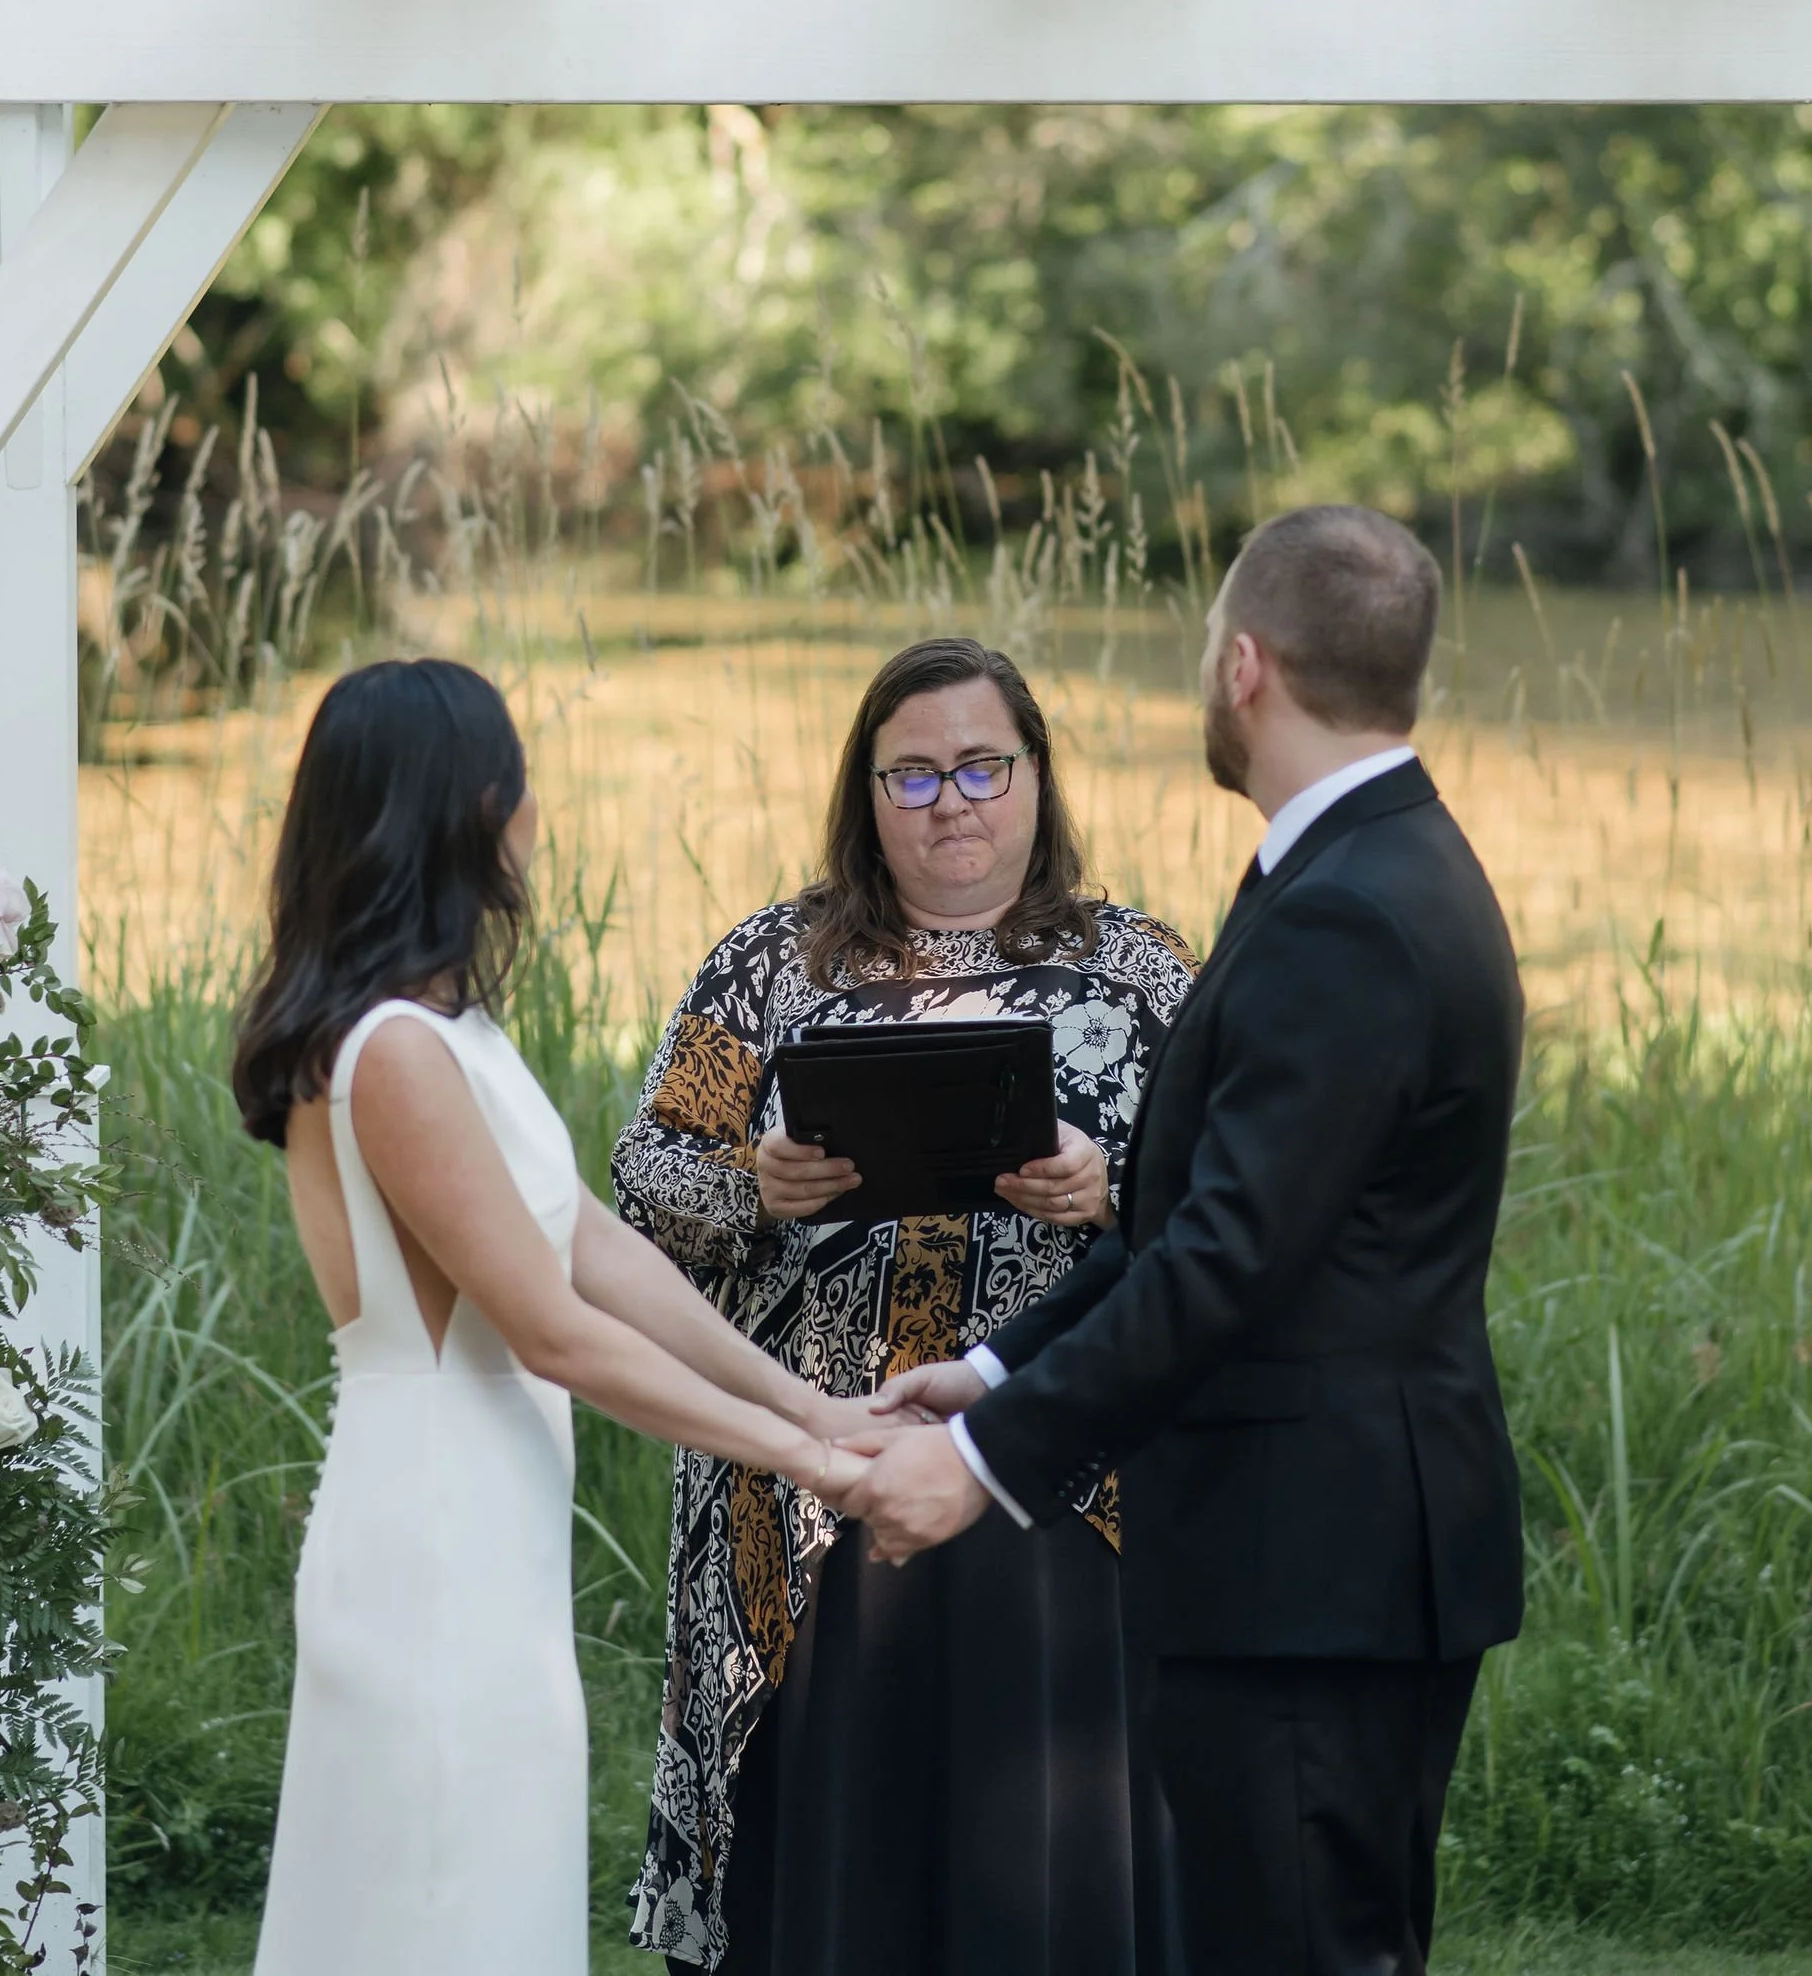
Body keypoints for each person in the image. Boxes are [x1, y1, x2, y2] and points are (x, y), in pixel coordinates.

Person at [858, 507, 1526, 1976]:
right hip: (1311, 1554)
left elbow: (1229, 1260)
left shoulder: (1353, 910)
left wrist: (980, 1469)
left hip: (1312, 1567)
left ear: (1244, 668)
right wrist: (989, 1368)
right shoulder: (1349, 867)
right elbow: (1188, 1216)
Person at [231, 659, 880, 1976]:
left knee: (489, 1894)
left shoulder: (448, 1031)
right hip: (429, 1543)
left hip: (488, 1534)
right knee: (441, 1906)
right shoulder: (391, 1055)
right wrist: (805, 1463)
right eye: (517, 783)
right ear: (469, 809)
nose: (537, 814)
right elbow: (553, 1332)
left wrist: (807, 1402)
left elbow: (592, 1244)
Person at [612, 635, 1194, 1976]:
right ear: (865, 793)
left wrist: (1114, 1190)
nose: (954, 803)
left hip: (1064, 1473)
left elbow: (1240, 1203)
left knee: (1042, 1870)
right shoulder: (768, 964)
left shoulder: (1148, 972)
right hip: (812, 1469)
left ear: (1038, 777)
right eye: (914, 775)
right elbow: (639, 1187)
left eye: (984, 766)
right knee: (839, 1864)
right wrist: (753, 1186)